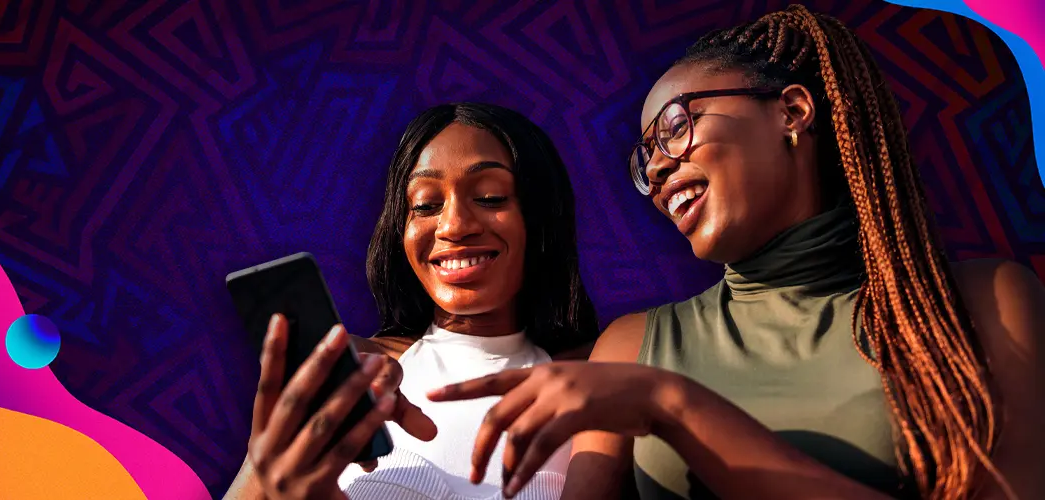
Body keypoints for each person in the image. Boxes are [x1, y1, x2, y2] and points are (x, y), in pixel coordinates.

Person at [426, 5, 1044, 500]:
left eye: (675, 127)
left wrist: (673, 406)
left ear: (792, 112)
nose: (660, 169)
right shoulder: (632, 345)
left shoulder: (985, 304)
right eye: (644, 161)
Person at [223, 102, 600, 500]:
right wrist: (264, 473)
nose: (453, 225)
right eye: (425, 205)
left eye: (489, 197)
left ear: (540, 215)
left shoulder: (605, 372)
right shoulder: (355, 372)